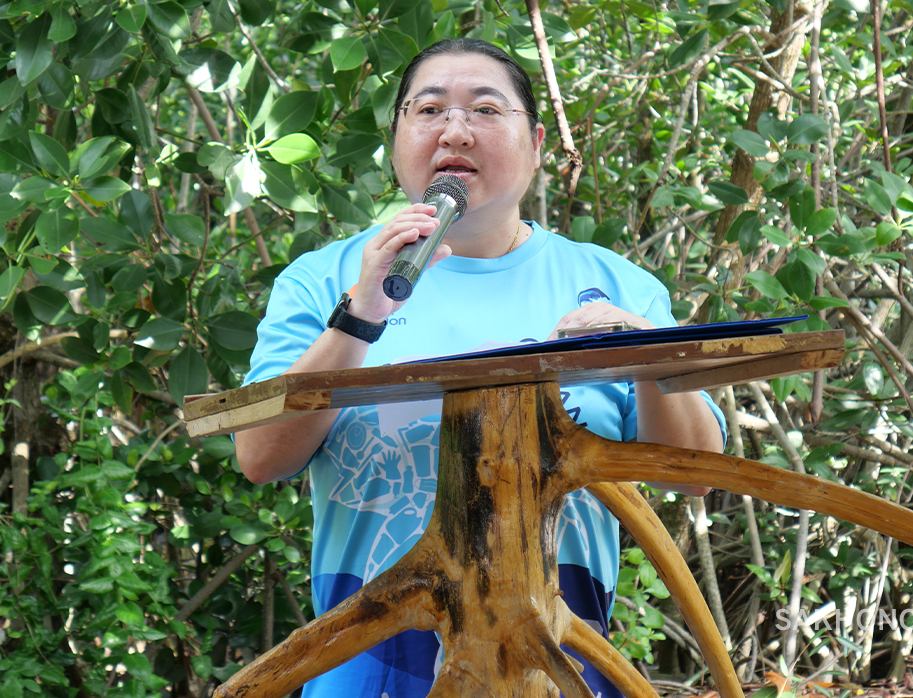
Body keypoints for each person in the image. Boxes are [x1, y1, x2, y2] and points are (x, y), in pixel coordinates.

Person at [236, 38, 726, 698]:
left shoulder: (618, 286)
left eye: (486, 110)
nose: (455, 131)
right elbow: (261, 456)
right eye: (429, 110)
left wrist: (648, 354)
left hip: (556, 656)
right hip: (372, 659)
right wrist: (358, 316)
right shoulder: (322, 279)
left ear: (537, 142)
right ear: (395, 140)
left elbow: (696, 471)